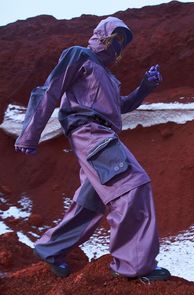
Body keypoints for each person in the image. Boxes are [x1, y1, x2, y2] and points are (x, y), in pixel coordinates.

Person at [15, 16, 171, 282]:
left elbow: (121, 106)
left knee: (90, 202)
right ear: (102, 34)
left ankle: (50, 249)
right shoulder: (79, 55)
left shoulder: (109, 77)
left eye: (122, 43)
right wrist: (29, 135)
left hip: (103, 135)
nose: (118, 46)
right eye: (115, 38)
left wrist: (145, 87)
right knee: (132, 186)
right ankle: (134, 265)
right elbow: (49, 90)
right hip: (90, 132)